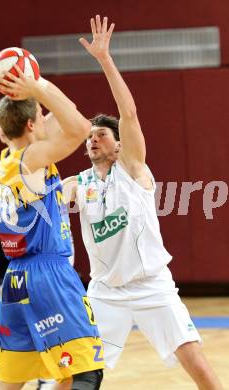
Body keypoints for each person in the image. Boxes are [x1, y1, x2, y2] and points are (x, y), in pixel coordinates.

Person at [63, 15, 223, 389]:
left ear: (118, 145)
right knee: (76, 373)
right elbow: (48, 195)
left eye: (101, 134)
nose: (93, 140)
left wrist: (104, 60)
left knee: (196, 364)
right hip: (104, 291)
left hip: (152, 285)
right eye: (89, 137)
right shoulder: (79, 182)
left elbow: (129, 113)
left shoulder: (133, 169)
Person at [0, 67, 104, 390]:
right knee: (85, 372)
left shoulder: (5, 163)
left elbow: (60, 116)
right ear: (30, 125)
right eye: (40, 116)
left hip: (16, 278)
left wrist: (27, 90)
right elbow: (80, 126)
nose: (46, 118)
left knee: (11, 382)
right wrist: (37, 84)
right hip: (47, 276)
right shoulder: (31, 159)